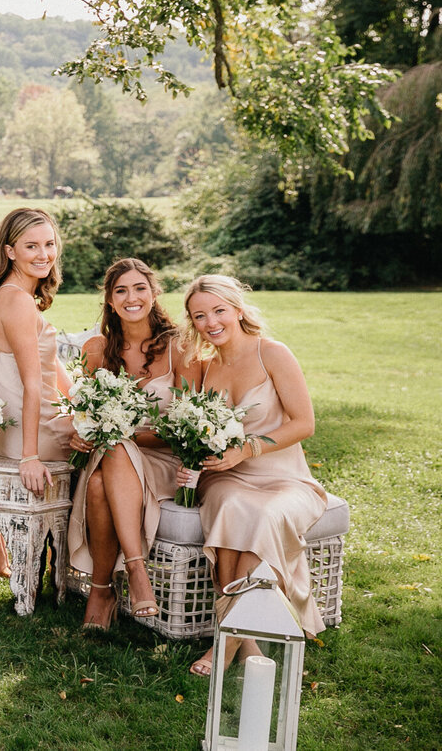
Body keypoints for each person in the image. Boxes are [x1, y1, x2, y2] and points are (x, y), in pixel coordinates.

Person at [182, 275, 327, 676]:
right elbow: (197, 432)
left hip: (284, 477)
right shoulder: (203, 370)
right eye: (200, 315)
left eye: (219, 311)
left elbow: (304, 423)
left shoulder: (273, 353)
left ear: (238, 309)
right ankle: (244, 641)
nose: (211, 322)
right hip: (226, 478)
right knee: (231, 504)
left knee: (260, 515)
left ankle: (226, 643)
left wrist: (246, 449)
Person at [65, 258, 189, 630]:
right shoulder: (97, 350)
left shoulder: (179, 347)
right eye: (121, 290)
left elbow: (186, 425)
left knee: (104, 478)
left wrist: (130, 435)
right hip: (109, 454)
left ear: (154, 293)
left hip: (160, 458)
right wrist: (79, 432)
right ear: (109, 300)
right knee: (113, 454)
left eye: (139, 288)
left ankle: (106, 588)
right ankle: (135, 574)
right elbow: (84, 411)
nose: (131, 297)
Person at [0, 208, 74, 492]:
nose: (43, 254)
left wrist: (80, 401)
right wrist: (30, 457)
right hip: (31, 434)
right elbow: (31, 384)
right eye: (31, 246)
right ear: (10, 251)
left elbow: (50, 363)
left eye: (49, 244)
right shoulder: (19, 302)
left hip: (4, 433)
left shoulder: (5, 293)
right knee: (116, 439)